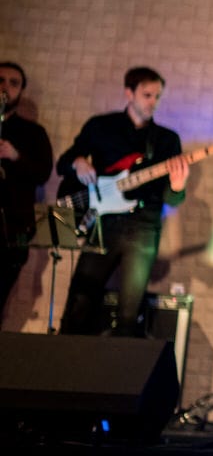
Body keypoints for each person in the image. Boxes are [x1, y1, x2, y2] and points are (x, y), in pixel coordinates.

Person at [56, 66, 189, 337]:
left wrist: (177, 187)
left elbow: (172, 198)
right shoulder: (100, 126)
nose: (152, 102)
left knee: (130, 314)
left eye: (157, 96)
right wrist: (79, 162)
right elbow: (63, 163)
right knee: (80, 303)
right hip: (102, 223)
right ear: (129, 93)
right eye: (147, 95)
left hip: (144, 226)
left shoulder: (166, 140)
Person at [0, 61, 54, 325]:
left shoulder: (33, 133)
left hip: (12, 228)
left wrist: (15, 155)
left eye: (13, 83)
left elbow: (43, 174)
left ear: (21, 91)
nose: (6, 87)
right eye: (1, 80)